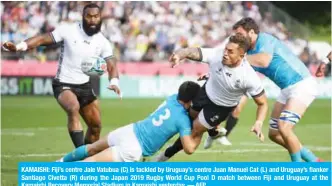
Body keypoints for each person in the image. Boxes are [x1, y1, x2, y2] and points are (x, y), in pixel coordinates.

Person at [2, 3, 121, 148]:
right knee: (73, 107)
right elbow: (42, 39)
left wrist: (114, 81)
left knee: (96, 126)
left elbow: (112, 64)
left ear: (100, 18)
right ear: (83, 17)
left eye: (96, 16)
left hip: (85, 85)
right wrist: (20, 46)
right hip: (63, 83)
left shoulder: (102, 41)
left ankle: (87, 158)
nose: (92, 20)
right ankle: (80, 155)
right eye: (89, 16)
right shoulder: (68, 30)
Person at [207, 17, 322, 162]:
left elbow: (264, 60)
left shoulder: (264, 40)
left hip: (302, 84)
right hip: (286, 89)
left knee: (284, 128)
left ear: (252, 32)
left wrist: (239, 58)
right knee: (274, 134)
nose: (238, 38)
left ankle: (297, 171)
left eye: (241, 34)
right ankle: (314, 161)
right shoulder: (246, 53)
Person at [153, 34, 268, 162]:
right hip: (205, 93)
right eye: (225, 49)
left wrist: (258, 123)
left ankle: (163, 156)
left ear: (241, 55)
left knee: (192, 136)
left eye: (230, 52)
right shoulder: (217, 55)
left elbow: (262, 103)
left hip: (220, 108)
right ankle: (212, 130)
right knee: (187, 118)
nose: (225, 53)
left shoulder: (249, 77)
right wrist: (179, 55)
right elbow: (192, 52)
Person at [57, 81, 201, 162]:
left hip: (130, 130)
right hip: (133, 148)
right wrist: (202, 131)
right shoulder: (183, 120)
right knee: (89, 165)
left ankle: (58, 164)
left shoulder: (172, 97)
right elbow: (188, 149)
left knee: (91, 148)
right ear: (191, 100)